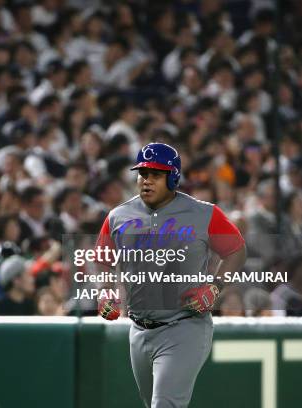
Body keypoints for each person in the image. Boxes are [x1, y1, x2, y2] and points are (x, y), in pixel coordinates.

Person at [96, 142, 246, 408]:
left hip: (185, 325)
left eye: (155, 174)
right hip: (139, 329)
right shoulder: (118, 216)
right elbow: (103, 258)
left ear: (173, 177)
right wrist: (106, 290)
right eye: (143, 173)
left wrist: (215, 286)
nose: (146, 180)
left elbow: (236, 249)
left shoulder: (203, 213)